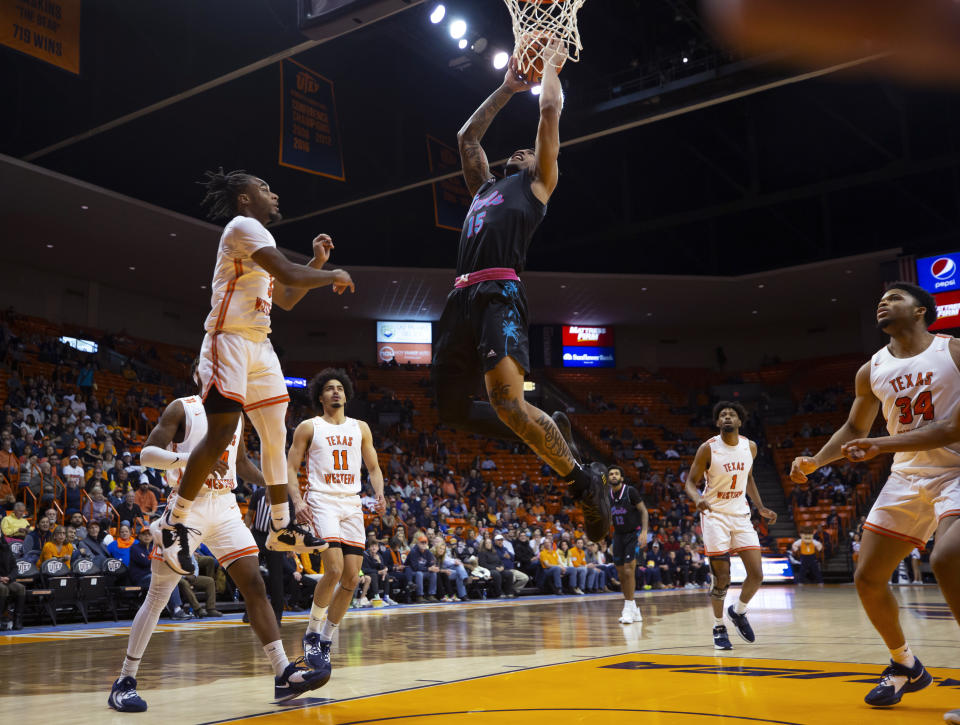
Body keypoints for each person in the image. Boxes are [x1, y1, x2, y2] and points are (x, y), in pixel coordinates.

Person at [432, 42, 610, 541]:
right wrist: (507, 88)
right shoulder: (485, 187)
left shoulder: (536, 185)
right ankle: (547, 431)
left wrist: (551, 68)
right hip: (459, 299)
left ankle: (582, 481)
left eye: (528, 150)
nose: (521, 149)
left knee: (510, 404)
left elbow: (550, 111)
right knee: (451, 411)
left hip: (498, 294)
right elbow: (467, 137)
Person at [156, 168, 354, 577]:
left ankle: (282, 527)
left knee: (275, 432)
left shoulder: (260, 242)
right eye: (264, 187)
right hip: (228, 339)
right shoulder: (241, 226)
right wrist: (330, 273)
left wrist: (316, 261)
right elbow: (289, 275)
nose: (274, 192)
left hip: (259, 345)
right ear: (244, 199)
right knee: (222, 436)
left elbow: (285, 297)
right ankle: (173, 523)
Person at [108, 374, 329, 713]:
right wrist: (190, 461)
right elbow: (147, 455)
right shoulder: (183, 408)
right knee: (158, 595)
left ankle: (283, 672)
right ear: (203, 375)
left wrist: (275, 483)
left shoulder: (236, 417)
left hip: (225, 506)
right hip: (188, 505)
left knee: (255, 584)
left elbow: (239, 465)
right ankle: (125, 680)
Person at [793, 282, 960, 710]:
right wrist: (815, 461)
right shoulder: (872, 368)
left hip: (956, 469)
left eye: (895, 298)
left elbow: (950, 429)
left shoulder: (953, 351)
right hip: (906, 476)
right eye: (879, 301)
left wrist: (881, 446)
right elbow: (854, 429)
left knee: (946, 558)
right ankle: (905, 665)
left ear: (922, 310)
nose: (883, 303)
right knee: (867, 578)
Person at [285, 368, 385, 682]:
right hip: (322, 499)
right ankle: (312, 632)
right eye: (329, 388)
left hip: (352, 503)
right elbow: (291, 465)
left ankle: (326, 639)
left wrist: (379, 493)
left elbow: (373, 466)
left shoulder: (361, 428)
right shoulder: (308, 426)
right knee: (335, 569)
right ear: (320, 395)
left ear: (346, 394)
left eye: (340, 387)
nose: (335, 392)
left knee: (353, 578)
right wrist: (298, 501)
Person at [684, 401, 777, 651]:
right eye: (722, 415)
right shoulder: (708, 448)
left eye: (732, 414)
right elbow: (690, 483)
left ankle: (738, 611)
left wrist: (760, 507)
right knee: (722, 578)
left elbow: (748, 477)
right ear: (717, 423)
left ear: (739, 421)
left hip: (741, 515)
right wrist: (698, 499)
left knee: (757, 574)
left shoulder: (751, 447)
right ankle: (718, 626)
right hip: (714, 515)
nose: (727, 417)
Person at [608, 465, 649, 624]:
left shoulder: (630, 491)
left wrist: (644, 532)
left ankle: (628, 607)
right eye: (611, 474)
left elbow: (644, 511)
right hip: (618, 535)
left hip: (633, 534)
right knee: (620, 573)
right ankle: (633, 609)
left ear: (621, 478)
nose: (613, 476)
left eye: (616, 473)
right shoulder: (608, 495)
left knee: (628, 569)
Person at [0, 537, 24, 630]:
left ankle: (17, 621)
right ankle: (1, 619)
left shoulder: (6, 548)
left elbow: (15, 568)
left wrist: (9, 577)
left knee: (20, 588)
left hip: (6, 579)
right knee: (3, 589)